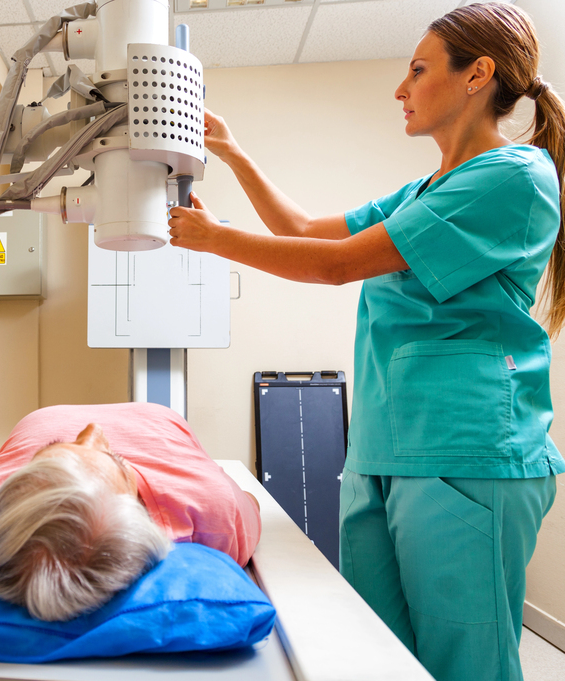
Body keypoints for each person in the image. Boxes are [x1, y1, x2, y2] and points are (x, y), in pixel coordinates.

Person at [166, 4, 564, 681]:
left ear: (478, 75)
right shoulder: (424, 190)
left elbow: (336, 265)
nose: (401, 89)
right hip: (385, 448)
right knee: (379, 657)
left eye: (418, 70)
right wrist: (232, 153)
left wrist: (213, 240)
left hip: (466, 453)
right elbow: (302, 227)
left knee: (466, 664)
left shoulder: (515, 176)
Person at [0, 402, 261, 622]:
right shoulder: (212, 510)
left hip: (43, 419)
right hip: (155, 418)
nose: (93, 429)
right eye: (117, 461)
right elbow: (252, 501)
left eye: (46, 454)